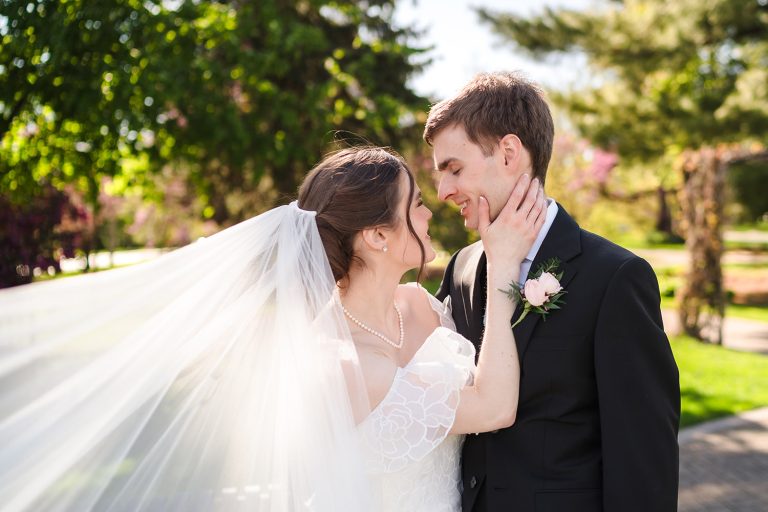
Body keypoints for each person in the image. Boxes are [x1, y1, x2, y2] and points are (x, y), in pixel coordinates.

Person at [0, 146, 545, 511]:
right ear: (378, 236)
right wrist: (502, 267)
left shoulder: (423, 306)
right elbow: (494, 407)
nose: (431, 215)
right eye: (418, 206)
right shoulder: (345, 363)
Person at [424, 71, 681, 512]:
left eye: (454, 169)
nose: (444, 191)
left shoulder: (615, 278)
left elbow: (643, 460)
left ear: (508, 153)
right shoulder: (462, 269)